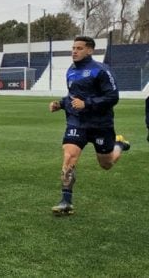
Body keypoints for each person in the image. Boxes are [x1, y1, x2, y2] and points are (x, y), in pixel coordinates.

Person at [48, 36, 128, 215]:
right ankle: (66, 201)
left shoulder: (101, 71)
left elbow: (113, 97)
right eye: (73, 48)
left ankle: (119, 145)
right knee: (69, 156)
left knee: (106, 164)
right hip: (76, 122)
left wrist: (87, 104)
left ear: (90, 50)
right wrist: (60, 104)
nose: (74, 51)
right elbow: (73, 96)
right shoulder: (70, 70)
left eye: (79, 48)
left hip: (101, 124)